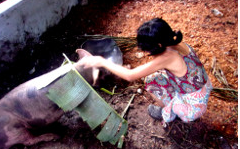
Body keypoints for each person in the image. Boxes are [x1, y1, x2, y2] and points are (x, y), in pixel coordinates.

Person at [76, 18, 212, 124]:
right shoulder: (174, 41)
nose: (147, 51)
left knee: (151, 82)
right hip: (201, 88)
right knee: (155, 77)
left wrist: (101, 61)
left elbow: (130, 76)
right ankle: (176, 104)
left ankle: (171, 113)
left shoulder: (167, 57)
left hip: (193, 105)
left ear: (158, 45)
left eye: (148, 48)